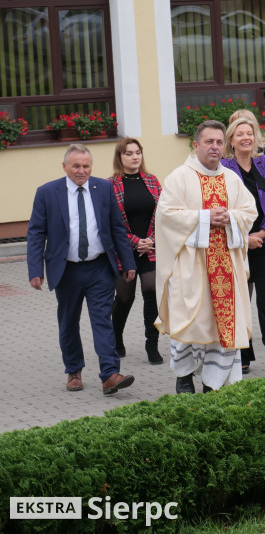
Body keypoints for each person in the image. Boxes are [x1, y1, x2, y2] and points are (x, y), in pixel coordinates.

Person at [155, 120, 258, 394]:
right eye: (209, 142)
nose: (215, 147)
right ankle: (184, 378)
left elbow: (249, 211)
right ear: (196, 144)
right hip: (191, 266)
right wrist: (204, 217)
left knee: (221, 324)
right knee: (189, 320)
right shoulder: (179, 177)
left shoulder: (232, 179)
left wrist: (231, 217)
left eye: (219, 142)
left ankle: (214, 383)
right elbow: (166, 216)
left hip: (225, 265)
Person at [27, 144, 136, 395]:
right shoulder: (47, 192)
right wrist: (35, 269)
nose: (81, 171)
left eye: (86, 166)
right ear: (64, 166)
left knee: (102, 320)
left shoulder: (104, 188)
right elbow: (36, 233)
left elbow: (117, 228)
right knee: (68, 323)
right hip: (67, 270)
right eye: (76, 166)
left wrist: (127, 262)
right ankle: (74, 371)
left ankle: (109, 374)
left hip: (99, 267)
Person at [222, 117, 265, 375]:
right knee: (239, 300)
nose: (245, 138)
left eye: (249, 133)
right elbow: (225, 206)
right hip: (238, 244)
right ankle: (241, 353)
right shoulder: (225, 168)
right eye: (239, 134)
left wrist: (263, 231)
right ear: (231, 140)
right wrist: (245, 236)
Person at [109, 137, 164, 365]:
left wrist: (150, 239)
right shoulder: (110, 185)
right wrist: (134, 241)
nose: (134, 157)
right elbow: (111, 221)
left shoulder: (152, 181)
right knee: (124, 296)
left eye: (137, 152)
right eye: (129, 153)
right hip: (124, 248)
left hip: (151, 247)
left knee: (151, 291)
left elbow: (163, 213)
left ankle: (152, 344)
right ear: (120, 157)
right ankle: (116, 337)